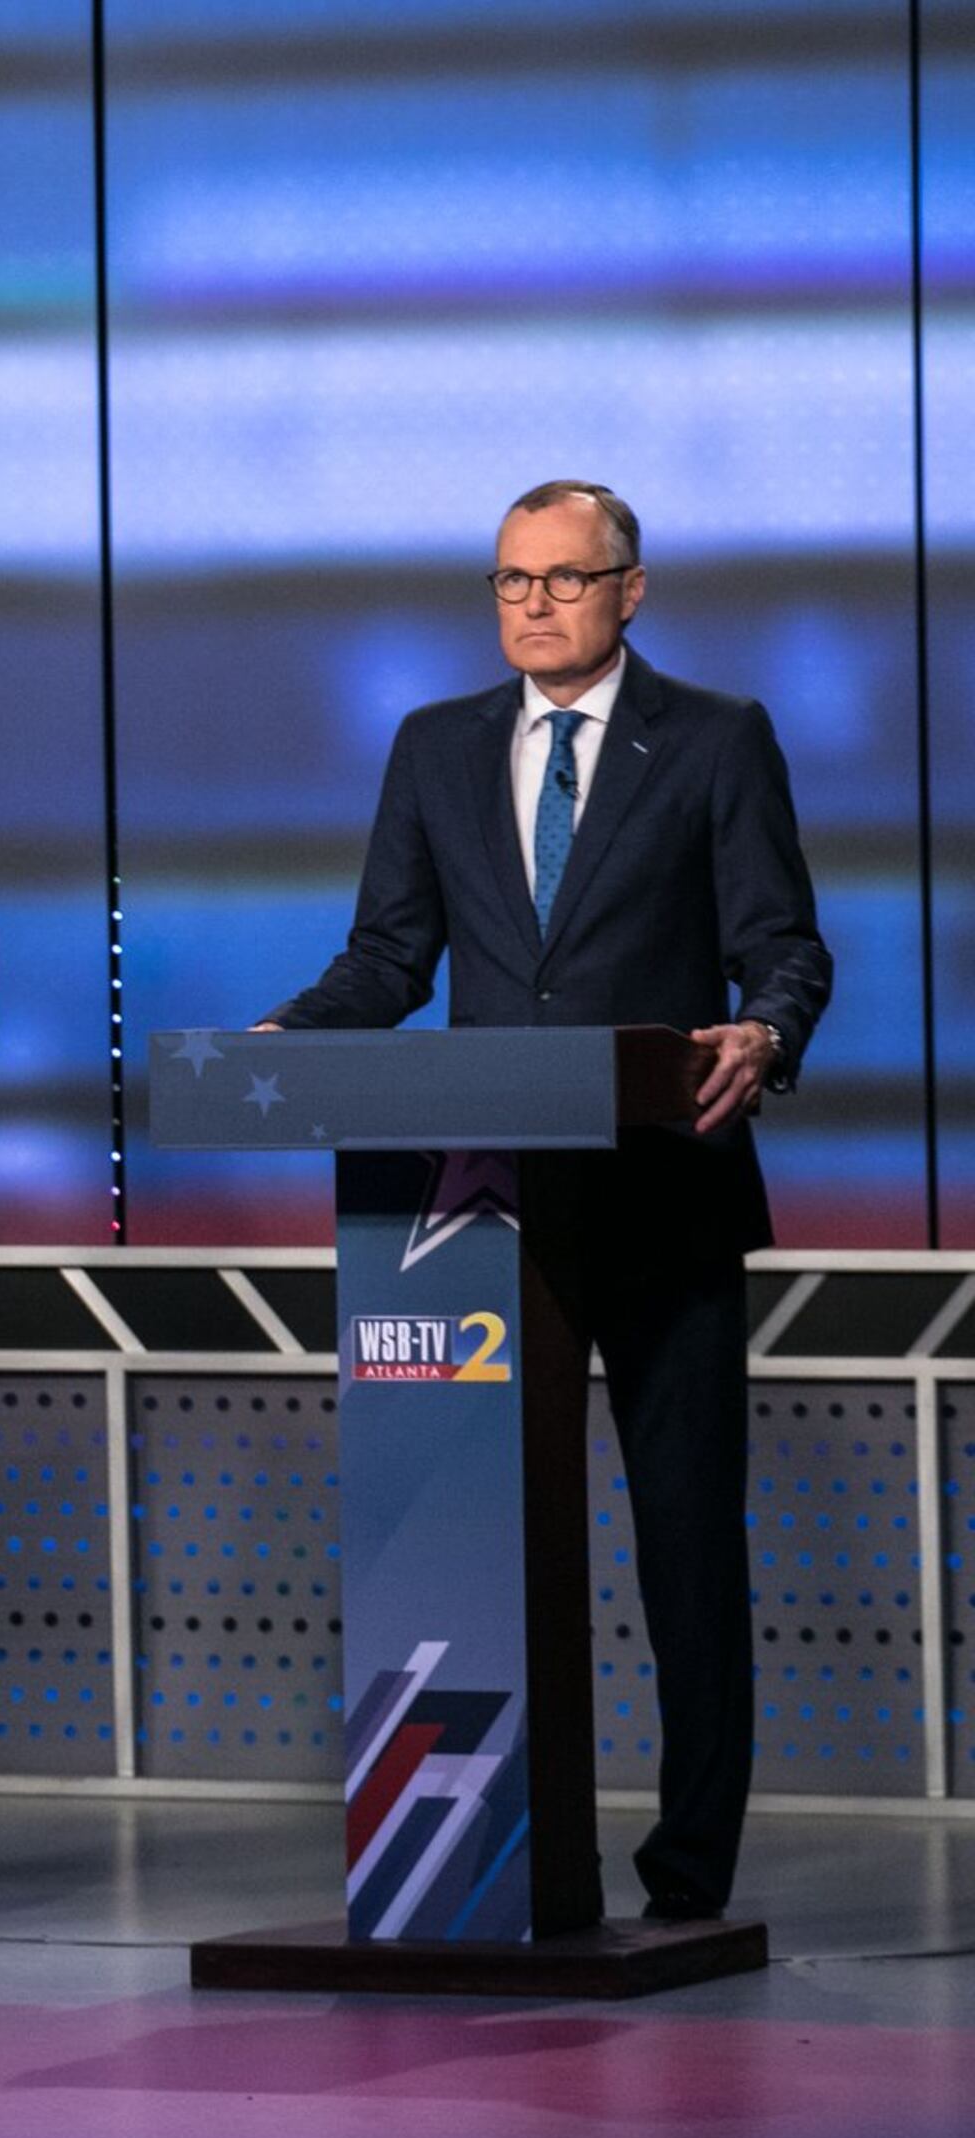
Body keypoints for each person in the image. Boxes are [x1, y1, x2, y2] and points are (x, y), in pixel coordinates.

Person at [263, 479, 828, 1923]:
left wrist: (761, 1033)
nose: (534, 605)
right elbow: (389, 959)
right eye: (512, 580)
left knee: (686, 1543)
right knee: (482, 1540)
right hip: (482, 1216)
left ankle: (689, 1876)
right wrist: (288, 1043)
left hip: (665, 1199)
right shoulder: (436, 748)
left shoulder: (715, 739)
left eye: (564, 581)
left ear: (630, 590)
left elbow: (784, 948)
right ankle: (504, 1857)